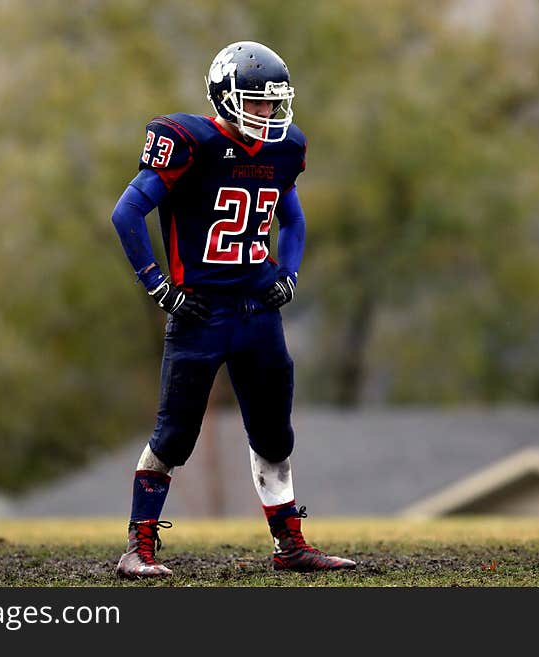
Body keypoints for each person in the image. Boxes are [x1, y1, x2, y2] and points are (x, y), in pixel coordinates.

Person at [110, 40, 356, 578]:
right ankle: (138, 547)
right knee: (173, 435)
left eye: (274, 102)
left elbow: (293, 219)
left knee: (274, 433)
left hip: (257, 311)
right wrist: (158, 285)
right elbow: (126, 212)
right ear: (224, 99)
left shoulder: (283, 149)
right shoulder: (189, 142)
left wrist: (288, 274)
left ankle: (290, 544)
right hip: (200, 311)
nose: (268, 113)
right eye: (257, 101)